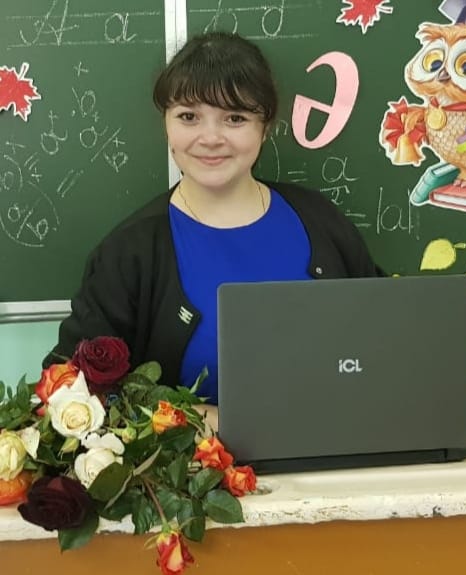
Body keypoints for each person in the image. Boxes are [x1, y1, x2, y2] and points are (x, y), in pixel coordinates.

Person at [43, 31, 383, 428]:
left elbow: (385, 340)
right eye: (188, 117)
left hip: (333, 451)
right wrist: (199, 420)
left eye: (235, 118)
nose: (210, 139)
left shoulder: (320, 220)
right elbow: (70, 391)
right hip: (194, 465)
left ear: (265, 127)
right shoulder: (128, 252)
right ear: (166, 124)